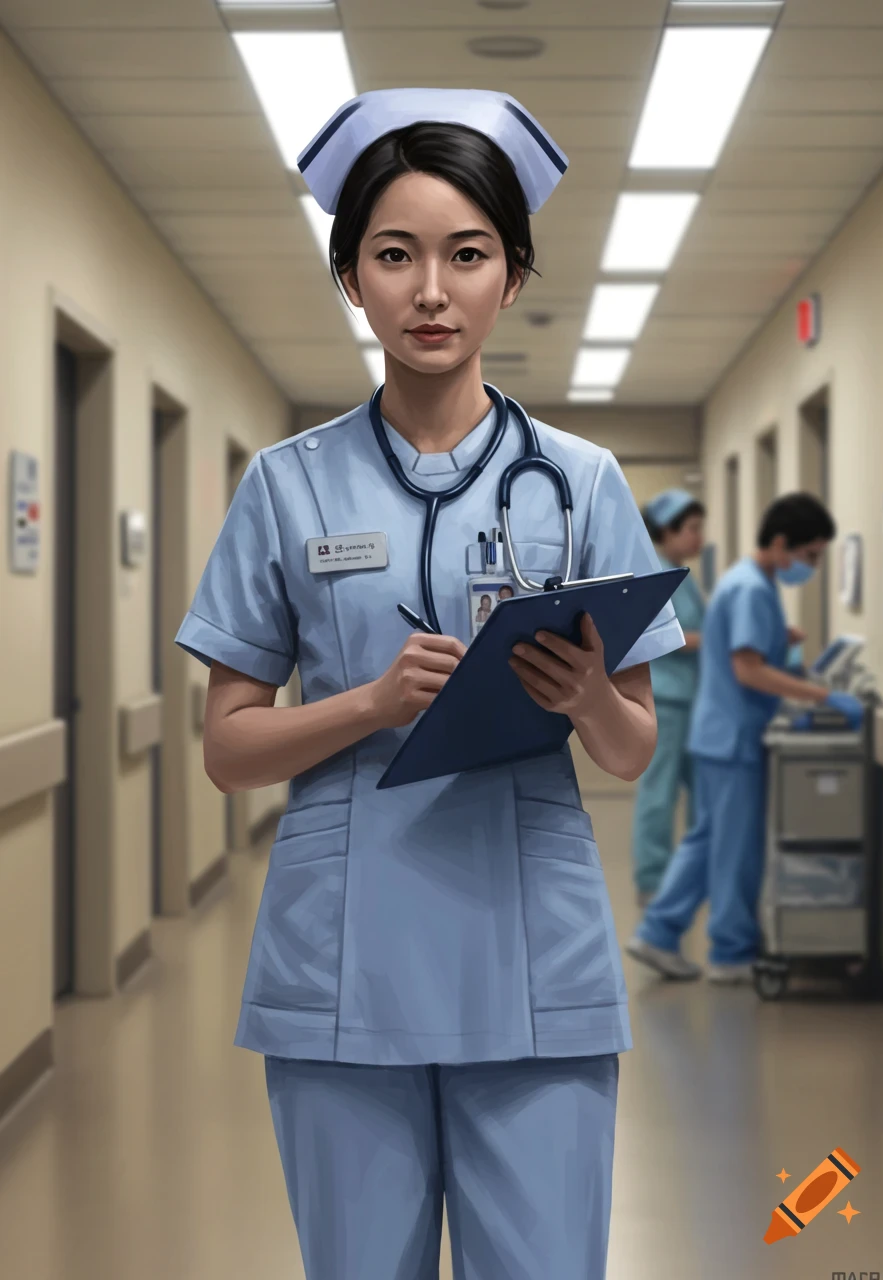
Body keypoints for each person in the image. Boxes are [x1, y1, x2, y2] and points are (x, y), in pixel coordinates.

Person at [176, 87, 684, 1280]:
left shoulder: (584, 478)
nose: (429, 290)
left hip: (533, 958)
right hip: (343, 961)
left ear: (512, 273)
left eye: (466, 254)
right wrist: (366, 701)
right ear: (351, 276)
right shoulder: (285, 486)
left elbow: (630, 751)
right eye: (392, 255)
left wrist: (583, 697)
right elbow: (227, 747)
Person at [627, 493, 863, 985]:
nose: (811, 565)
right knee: (733, 848)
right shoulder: (753, 588)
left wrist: (784, 649)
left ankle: (659, 931)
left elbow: (748, 652)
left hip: (720, 732)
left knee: (709, 841)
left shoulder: (744, 581)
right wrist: (819, 695)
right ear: (781, 543)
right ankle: (731, 952)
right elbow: (748, 669)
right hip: (732, 737)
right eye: (811, 554)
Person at [631, 489, 705, 906]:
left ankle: (690, 875)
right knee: (659, 795)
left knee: (698, 794)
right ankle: (652, 880)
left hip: (690, 699)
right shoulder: (656, 573)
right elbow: (665, 637)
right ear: (667, 531)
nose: (699, 537)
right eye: (692, 529)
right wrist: (715, 640)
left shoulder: (681, 574)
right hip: (667, 699)